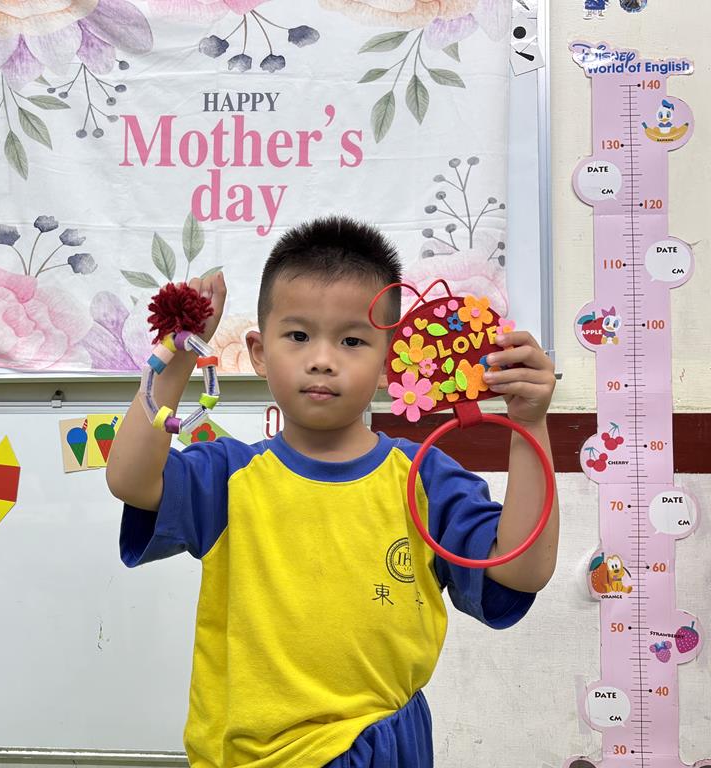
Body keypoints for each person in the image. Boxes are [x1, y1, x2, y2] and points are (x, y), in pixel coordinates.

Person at [105, 216, 559, 768]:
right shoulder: (227, 476)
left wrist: (530, 423)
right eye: (298, 336)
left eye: (351, 340)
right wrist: (179, 354)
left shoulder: (423, 478)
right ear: (258, 352)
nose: (322, 358)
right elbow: (129, 479)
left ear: (391, 360)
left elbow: (522, 571)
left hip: (382, 750)